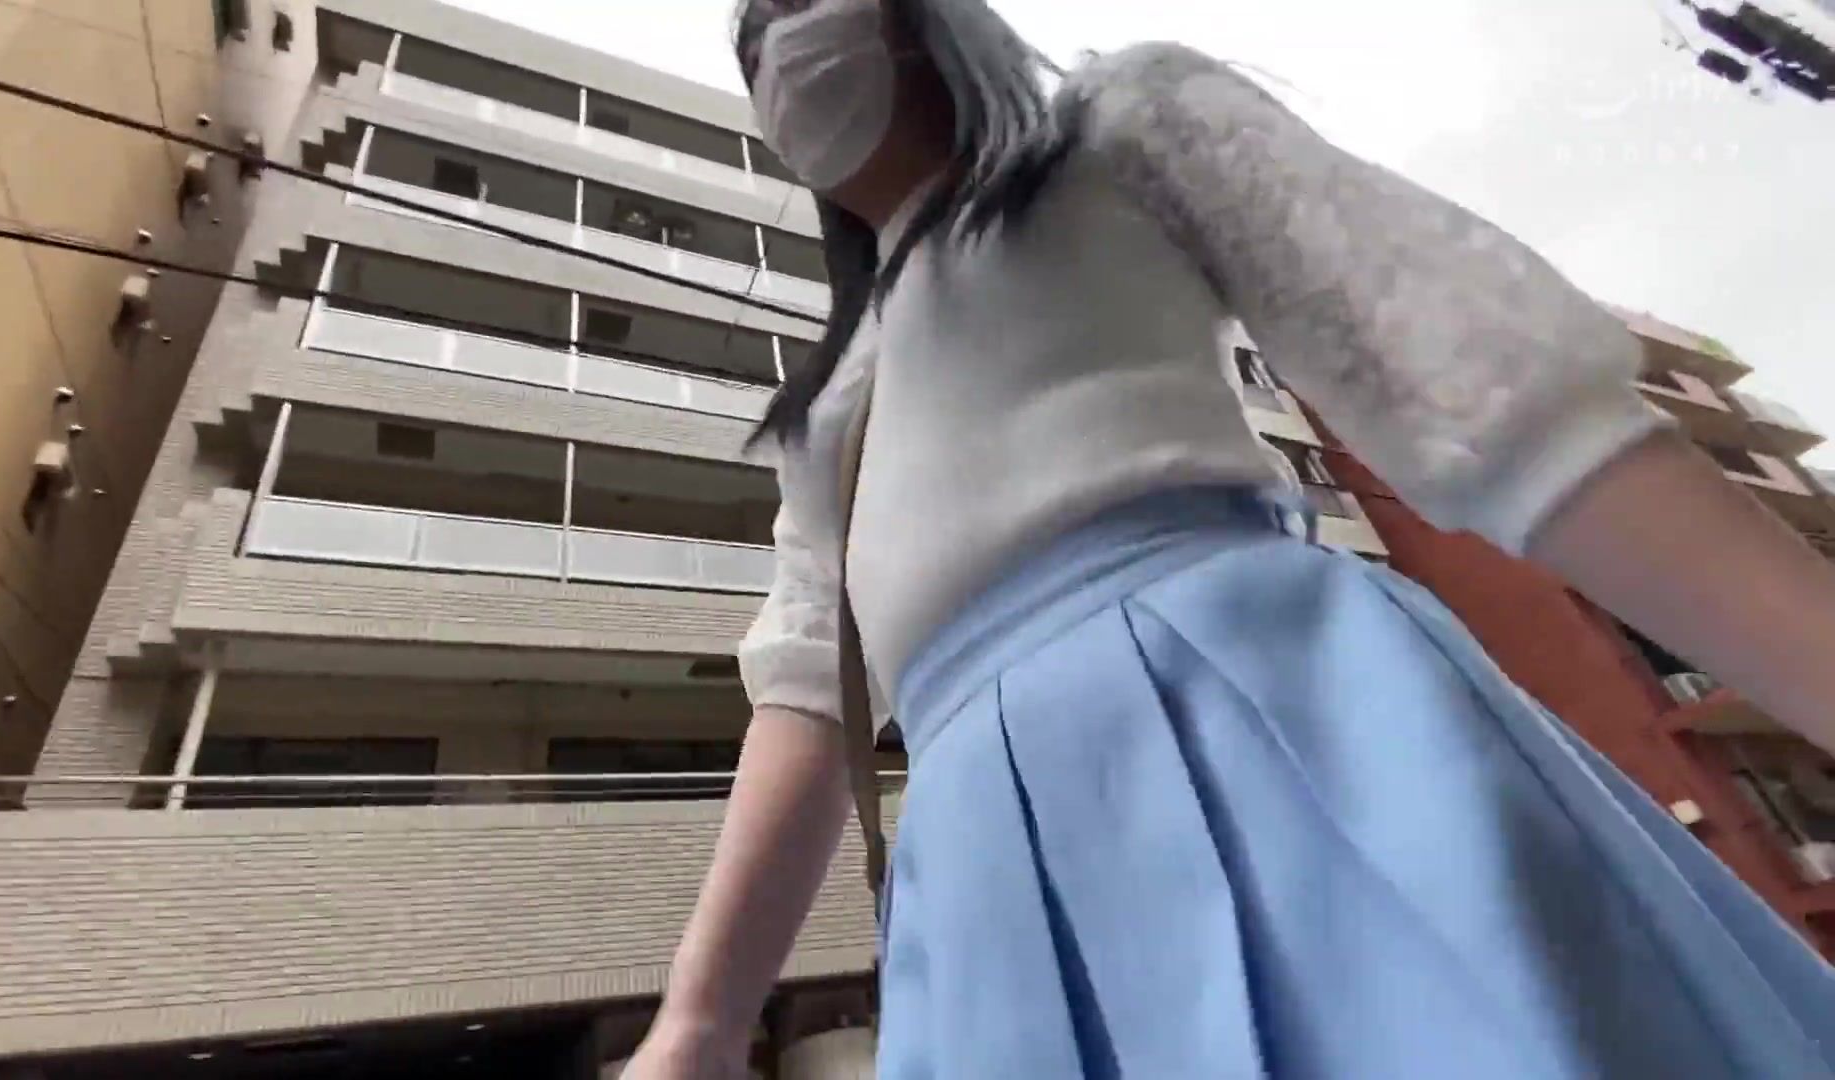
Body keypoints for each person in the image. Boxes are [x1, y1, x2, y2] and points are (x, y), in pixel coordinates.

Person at [626, 0, 1835, 1075]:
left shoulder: (1119, 126)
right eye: (750, 41)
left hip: (1268, 697)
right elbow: (806, 697)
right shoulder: (829, 407)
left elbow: (1499, 407)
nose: (773, 39)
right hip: (983, 847)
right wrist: (699, 1020)